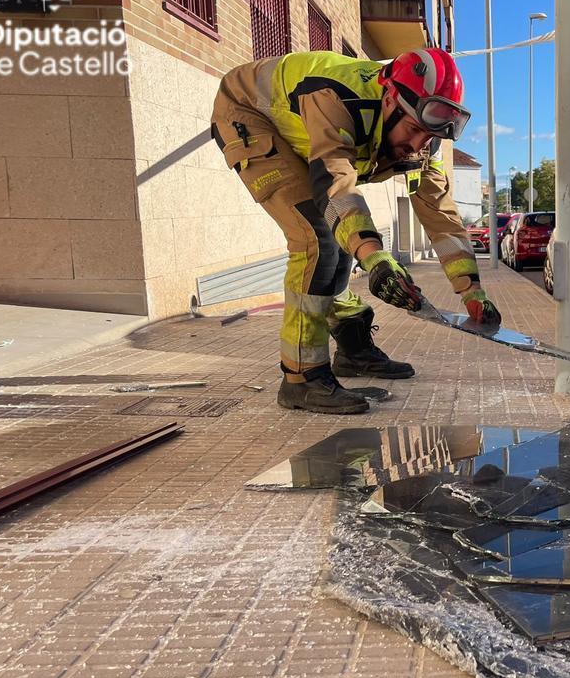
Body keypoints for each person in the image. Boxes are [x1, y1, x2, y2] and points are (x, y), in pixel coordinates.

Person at [211, 48, 501, 414]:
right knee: (317, 241)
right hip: (248, 114)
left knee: (342, 237)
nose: (417, 145)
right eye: (413, 130)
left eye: (428, 136)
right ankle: (301, 379)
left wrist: (472, 292)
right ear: (390, 100)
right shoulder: (336, 96)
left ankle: (353, 349)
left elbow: (441, 215)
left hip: (299, 130)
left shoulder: (428, 143)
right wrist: (376, 259)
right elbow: (337, 185)